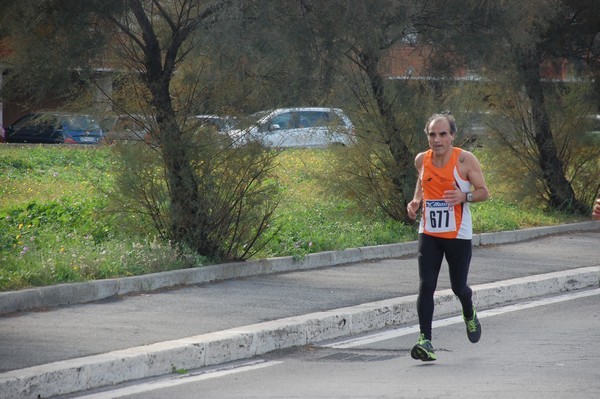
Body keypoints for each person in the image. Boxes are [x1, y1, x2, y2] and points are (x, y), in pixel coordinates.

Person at [406, 113, 489, 361]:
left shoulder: (464, 160)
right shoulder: (422, 160)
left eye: (443, 134)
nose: (437, 139)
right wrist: (416, 202)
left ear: (452, 135)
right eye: (432, 134)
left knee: (458, 287)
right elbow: (422, 184)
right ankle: (425, 341)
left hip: (458, 234)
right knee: (426, 285)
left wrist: (465, 197)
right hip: (429, 232)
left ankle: (469, 311)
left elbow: (484, 192)